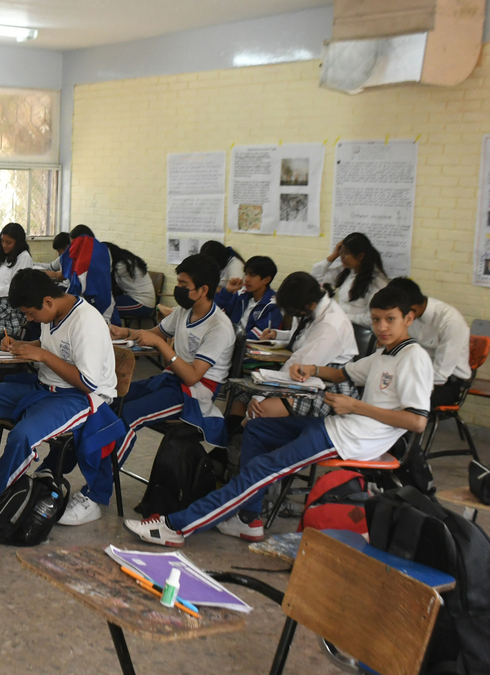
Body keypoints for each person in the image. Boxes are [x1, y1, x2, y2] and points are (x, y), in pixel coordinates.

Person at [126, 285, 433, 546]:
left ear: (409, 318)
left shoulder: (413, 358)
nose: (381, 327)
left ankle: (176, 527)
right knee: (258, 428)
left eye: (390, 320)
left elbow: (417, 421)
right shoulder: (384, 354)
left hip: (354, 438)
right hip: (341, 424)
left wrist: (355, 406)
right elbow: (344, 373)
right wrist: (311, 369)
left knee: (263, 469)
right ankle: (248, 518)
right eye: (377, 319)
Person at [0, 269, 123, 526]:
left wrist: (43, 356)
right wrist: (24, 346)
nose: (29, 318)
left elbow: (88, 382)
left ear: (47, 301)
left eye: (30, 313)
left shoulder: (86, 322)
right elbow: (51, 346)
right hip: (45, 387)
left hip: (79, 397)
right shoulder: (52, 312)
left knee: (22, 436)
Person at [110, 254, 234, 461]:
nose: (178, 289)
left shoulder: (218, 327)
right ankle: (95, 463)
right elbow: (155, 334)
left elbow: (192, 377)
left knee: (128, 415)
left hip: (193, 394)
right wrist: (125, 333)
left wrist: (160, 345)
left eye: (184, 285)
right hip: (170, 380)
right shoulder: (185, 311)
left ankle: (104, 479)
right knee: (113, 401)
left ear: (203, 290)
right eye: (178, 283)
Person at [231, 272, 358, 421]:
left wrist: (260, 396)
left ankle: (243, 432)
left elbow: (300, 364)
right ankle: (234, 430)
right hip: (302, 373)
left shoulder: (330, 326)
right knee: (241, 391)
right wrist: (277, 335)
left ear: (310, 305)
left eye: (294, 312)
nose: (292, 316)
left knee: (261, 409)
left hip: (328, 385)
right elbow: (301, 338)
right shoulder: (310, 308)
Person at [390, 277, 471, 407]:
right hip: (417, 373)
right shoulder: (409, 314)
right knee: (379, 390)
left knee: (401, 401)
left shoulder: (450, 322)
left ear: (413, 310)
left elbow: (440, 375)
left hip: (447, 382)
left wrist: (410, 385)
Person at [312, 232, 389, 328]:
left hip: (359, 329)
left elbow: (372, 318)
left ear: (360, 256)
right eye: (341, 252)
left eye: (346, 253)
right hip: (340, 324)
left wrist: (342, 316)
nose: (342, 257)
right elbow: (315, 279)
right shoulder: (347, 271)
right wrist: (333, 255)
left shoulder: (376, 281)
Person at [215, 255, 280, 339]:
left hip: (245, 345)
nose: (246, 279)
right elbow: (214, 312)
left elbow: (258, 335)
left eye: (252, 275)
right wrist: (227, 291)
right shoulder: (240, 295)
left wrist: (229, 339)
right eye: (246, 274)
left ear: (266, 280)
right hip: (228, 340)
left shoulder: (273, 305)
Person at [60, 224, 114, 322]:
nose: (72, 249)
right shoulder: (104, 249)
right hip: (107, 299)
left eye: (73, 244)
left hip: (91, 302)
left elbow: (76, 287)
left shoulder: (82, 262)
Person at [106, 242, 157, 323]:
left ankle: (112, 330)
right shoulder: (126, 260)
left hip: (142, 304)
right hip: (136, 299)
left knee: (105, 308)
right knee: (105, 304)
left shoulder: (122, 265)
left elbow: (105, 281)